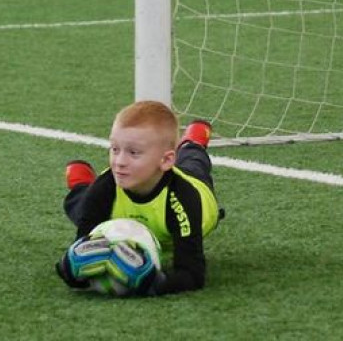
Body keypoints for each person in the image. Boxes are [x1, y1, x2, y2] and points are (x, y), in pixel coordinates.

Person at [56, 101, 222, 296]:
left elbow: (192, 275)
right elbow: (83, 248)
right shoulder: (105, 187)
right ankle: (81, 184)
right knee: (83, 206)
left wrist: (152, 282)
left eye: (133, 153)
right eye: (115, 149)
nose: (119, 162)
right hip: (118, 195)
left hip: (195, 197)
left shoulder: (184, 198)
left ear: (167, 160)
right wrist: (70, 268)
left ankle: (192, 141)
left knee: (194, 162)